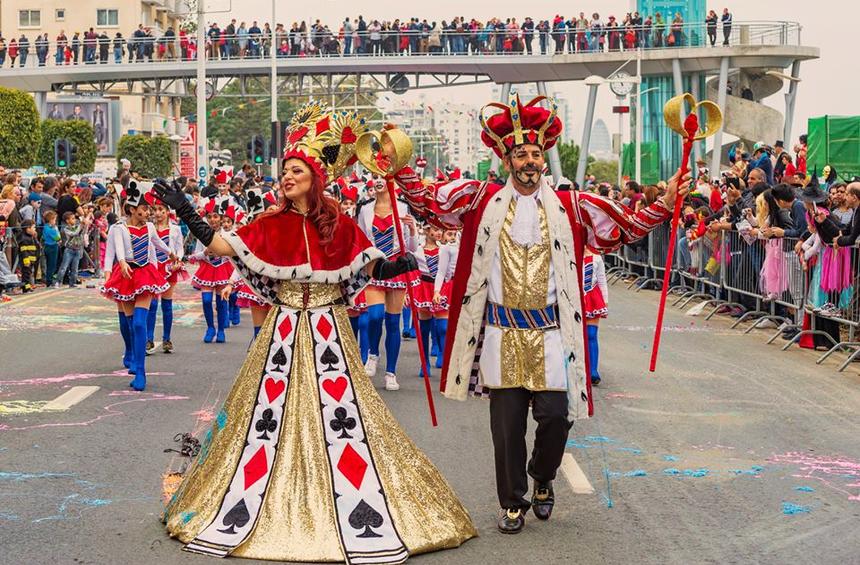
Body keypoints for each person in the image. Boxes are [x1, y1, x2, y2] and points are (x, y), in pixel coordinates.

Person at [155, 101, 476, 561]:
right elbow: (224, 246)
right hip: (282, 330)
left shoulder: (339, 224)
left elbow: (362, 263)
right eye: (284, 171)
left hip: (330, 331)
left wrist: (395, 262)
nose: (286, 178)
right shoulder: (268, 223)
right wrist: (187, 210)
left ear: (314, 179)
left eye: (296, 172)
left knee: (345, 417)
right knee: (266, 417)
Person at [395, 92, 688, 534]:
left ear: (543, 159)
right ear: (508, 160)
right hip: (501, 334)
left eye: (535, 153)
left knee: (556, 417)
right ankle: (512, 502)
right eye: (521, 154)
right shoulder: (479, 200)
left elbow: (622, 228)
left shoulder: (572, 206)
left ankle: (544, 476)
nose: (529, 161)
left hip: (553, 335)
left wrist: (665, 203)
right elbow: (430, 204)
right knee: (506, 427)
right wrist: (397, 170)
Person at [101, 181, 173, 391]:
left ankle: (141, 371)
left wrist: (172, 253)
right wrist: (120, 264)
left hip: (145, 275)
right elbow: (117, 252)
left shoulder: (150, 227)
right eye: (144, 208)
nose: (148, 212)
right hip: (125, 275)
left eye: (149, 208)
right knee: (129, 323)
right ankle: (130, 352)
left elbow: (158, 243)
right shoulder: (119, 228)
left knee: (140, 323)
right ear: (132, 208)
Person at [355, 174, 419, 391]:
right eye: (375, 177)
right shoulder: (364, 209)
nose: (379, 180)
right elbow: (361, 241)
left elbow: (412, 248)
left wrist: (412, 230)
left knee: (393, 323)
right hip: (374, 267)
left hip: (396, 268)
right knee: (374, 316)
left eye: (383, 177)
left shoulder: (403, 208)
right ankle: (373, 353)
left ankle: (391, 372)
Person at [188, 202, 234, 343]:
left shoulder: (228, 234)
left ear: (220, 218)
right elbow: (195, 255)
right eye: (209, 217)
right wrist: (205, 252)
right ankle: (210, 328)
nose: (213, 219)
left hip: (222, 269)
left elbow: (233, 253)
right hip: (208, 269)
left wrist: (221, 252)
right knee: (206, 300)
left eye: (215, 216)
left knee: (221, 301)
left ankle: (221, 330)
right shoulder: (202, 233)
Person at [146, 198, 187, 354]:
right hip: (154, 267)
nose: (158, 213)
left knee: (166, 304)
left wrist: (178, 260)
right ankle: (149, 339)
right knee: (152, 304)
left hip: (169, 267)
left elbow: (180, 249)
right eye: (155, 210)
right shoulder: (149, 227)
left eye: (161, 210)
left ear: (167, 212)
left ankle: (167, 339)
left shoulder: (175, 229)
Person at [582, 247, 608, 385]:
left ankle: (593, 370)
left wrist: (605, 300)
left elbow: (602, 279)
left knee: (591, 334)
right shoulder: (570, 254)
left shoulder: (597, 257)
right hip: (576, 297)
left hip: (592, 297)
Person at [54, 211, 86, 288]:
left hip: (78, 250)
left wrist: (84, 225)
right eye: (72, 219)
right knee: (64, 267)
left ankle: (72, 283)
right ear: (67, 221)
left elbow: (82, 232)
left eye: (74, 218)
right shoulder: (66, 228)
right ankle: (58, 282)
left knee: (75, 268)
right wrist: (81, 226)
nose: (74, 220)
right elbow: (74, 233)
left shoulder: (77, 226)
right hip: (69, 250)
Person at [17, 219, 40, 292]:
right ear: (28, 229)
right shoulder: (23, 238)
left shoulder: (31, 236)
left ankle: (28, 286)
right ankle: (25, 288)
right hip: (27, 261)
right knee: (26, 275)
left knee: (29, 274)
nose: (35, 229)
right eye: (33, 227)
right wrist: (26, 261)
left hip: (32, 259)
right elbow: (23, 251)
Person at [42, 210, 61, 286]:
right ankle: (49, 280)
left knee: (48, 264)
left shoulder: (45, 227)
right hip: (52, 246)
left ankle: (48, 279)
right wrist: (56, 229)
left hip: (46, 245)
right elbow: (58, 238)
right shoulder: (52, 229)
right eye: (54, 219)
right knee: (52, 265)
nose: (55, 221)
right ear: (51, 220)